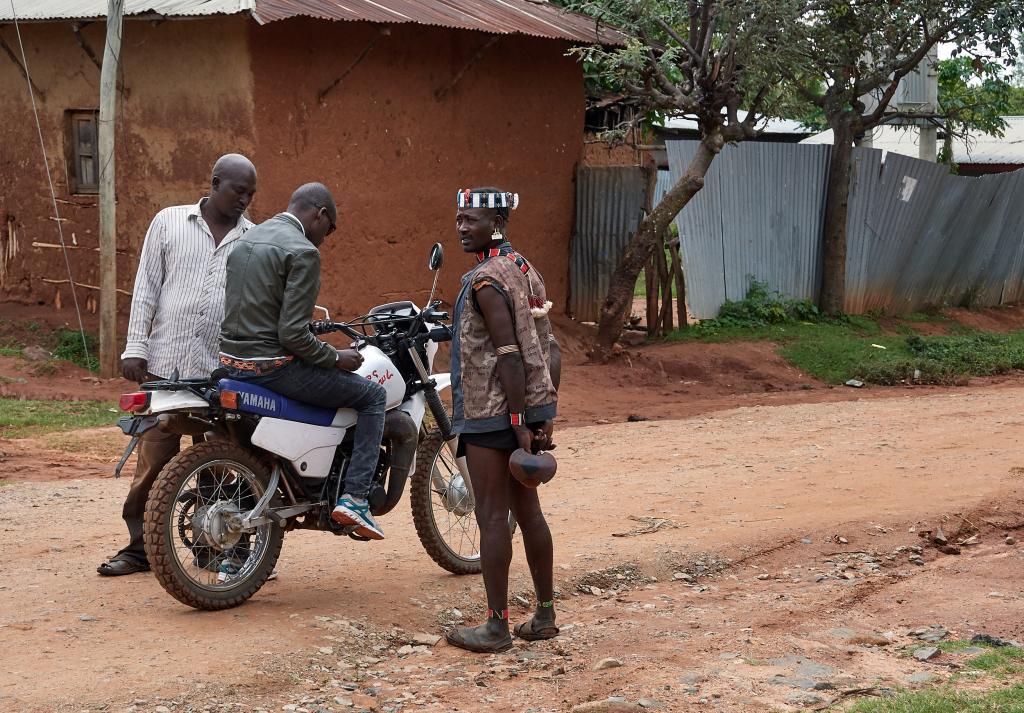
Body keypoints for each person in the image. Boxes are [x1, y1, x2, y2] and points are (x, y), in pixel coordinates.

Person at [98, 154, 258, 576]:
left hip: (218, 371)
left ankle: (213, 546)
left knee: (218, 460)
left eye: (249, 194)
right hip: (164, 366)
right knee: (154, 458)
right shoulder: (168, 222)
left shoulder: (253, 239)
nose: (243, 200)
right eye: (236, 191)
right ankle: (139, 549)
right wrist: (136, 347)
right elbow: (147, 284)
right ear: (214, 181)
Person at [218, 182, 388, 540]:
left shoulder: (245, 240)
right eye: (330, 227)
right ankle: (356, 499)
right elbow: (292, 338)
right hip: (273, 370)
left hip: (233, 364)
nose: (327, 237)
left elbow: (261, 313)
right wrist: (336, 357)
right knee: (373, 397)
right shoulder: (302, 252)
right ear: (319, 214)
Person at [445, 187, 562, 653]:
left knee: (493, 516)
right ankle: (545, 614)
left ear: (495, 222)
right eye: (457, 218)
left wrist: (516, 423)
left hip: (491, 413)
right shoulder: (524, 268)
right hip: (524, 409)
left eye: (470, 219)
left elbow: (510, 354)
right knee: (529, 513)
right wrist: (541, 416)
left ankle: (496, 626)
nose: (460, 227)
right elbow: (549, 349)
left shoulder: (486, 280)